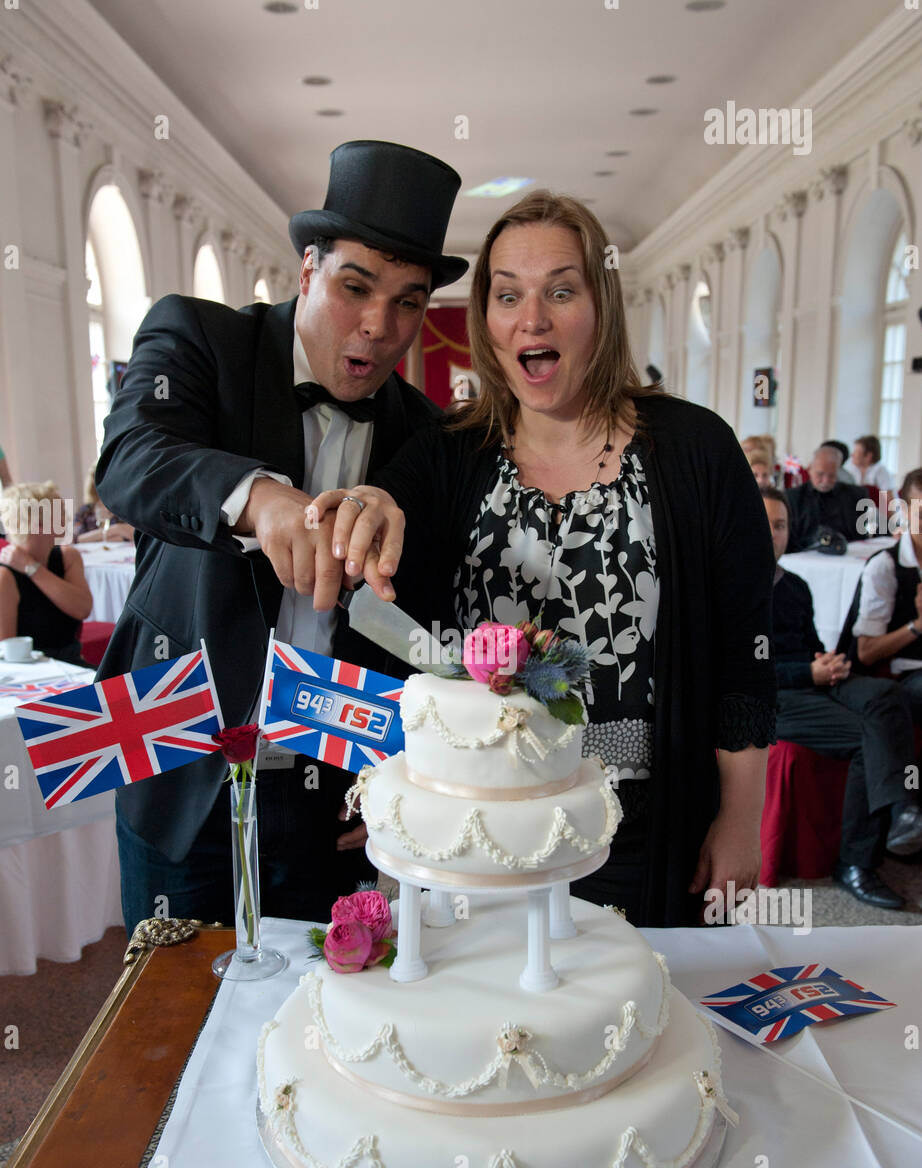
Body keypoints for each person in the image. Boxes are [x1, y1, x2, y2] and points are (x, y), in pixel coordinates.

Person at [321, 190, 778, 928]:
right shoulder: (446, 454)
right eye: (508, 295)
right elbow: (377, 609)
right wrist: (371, 781)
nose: (532, 317)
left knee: (628, 1024)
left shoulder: (696, 450)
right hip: (480, 826)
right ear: (487, 320)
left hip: (642, 824)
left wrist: (740, 819)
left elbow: (744, 655)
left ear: (602, 305)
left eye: (560, 291)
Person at [94, 140, 467, 932]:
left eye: (408, 302)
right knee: (169, 1019)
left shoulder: (426, 434)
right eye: (355, 287)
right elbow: (130, 457)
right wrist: (256, 498)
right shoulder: (199, 338)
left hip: (330, 791)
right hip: (180, 754)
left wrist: (408, 777)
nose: (378, 327)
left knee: (315, 1022)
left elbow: (427, 628)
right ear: (307, 270)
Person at [762, 485, 922, 909]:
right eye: (763, 523)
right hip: (768, 698)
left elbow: (812, 643)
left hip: (812, 681)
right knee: (868, 736)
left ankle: (904, 810)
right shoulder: (726, 587)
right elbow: (737, 671)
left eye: (780, 525)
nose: (773, 533)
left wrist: (826, 661)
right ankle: (856, 863)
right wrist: (807, 671)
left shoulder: (795, 584)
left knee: (885, 694)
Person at [851, 466, 922, 722]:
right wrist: (917, 626)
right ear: (904, 512)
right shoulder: (885, 566)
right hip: (909, 674)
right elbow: (866, 651)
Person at [0, 480, 92, 663]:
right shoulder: (5, 576)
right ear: (38, 523)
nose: (66, 515)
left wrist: (32, 569)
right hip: (33, 674)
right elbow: (8, 652)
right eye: (59, 510)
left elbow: (82, 609)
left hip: (73, 664)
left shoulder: (67, 557)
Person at [785, 445, 868, 551]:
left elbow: (864, 534)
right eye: (820, 474)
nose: (825, 481)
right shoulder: (792, 498)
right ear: (810, 469)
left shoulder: (856, 496)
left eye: (831, 476)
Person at [74, 464, 135, 544]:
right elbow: (78, 539)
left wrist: (97, 537)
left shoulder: (123, 507)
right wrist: (116, 530)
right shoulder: (85, 511)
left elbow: (132, 534)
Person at [845, 434, 894, 501]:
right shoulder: (852, 469)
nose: (852, 455)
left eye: (856, 452)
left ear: (868, 456)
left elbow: (889, 500)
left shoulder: (880, 471)